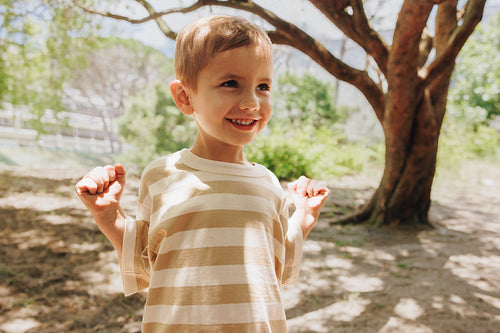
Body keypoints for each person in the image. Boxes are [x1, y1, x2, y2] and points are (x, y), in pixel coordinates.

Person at [75, 15, 329, 332]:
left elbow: (277, 259)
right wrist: (108, 214)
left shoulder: (267, 184)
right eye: (231, 83)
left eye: (263, 86)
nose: (252, 102)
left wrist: (304, 215)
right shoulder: (162, 176)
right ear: (185, 96)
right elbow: (146, 263)